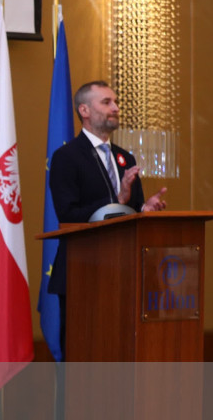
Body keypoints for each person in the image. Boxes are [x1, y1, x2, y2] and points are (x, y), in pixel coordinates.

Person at [48, 81, 168, 351]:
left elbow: (129, 210)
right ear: (84, 110)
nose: (115, 108)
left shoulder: (125, 157)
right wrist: (117, 199)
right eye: (106, 102)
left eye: (115, 102)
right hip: (84, 273)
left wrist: (144, 210)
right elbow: (68, 214)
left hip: (125, 274)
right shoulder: (66, 157)